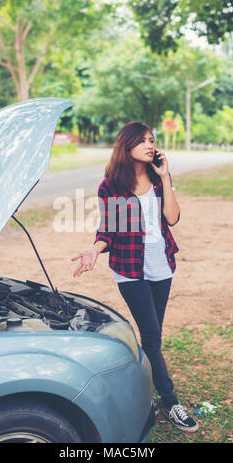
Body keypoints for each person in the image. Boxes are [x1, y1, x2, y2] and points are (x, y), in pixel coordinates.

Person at [71, 121, 199, 433]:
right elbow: (109, 229)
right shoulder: (111, 186)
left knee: (153, 334)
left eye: (152, 140)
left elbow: (172, 218)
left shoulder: (158, 180)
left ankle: (144, 385)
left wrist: (165, 178)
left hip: (162, 265)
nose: (149, 144)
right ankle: (170, 402)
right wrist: (94, 249)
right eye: (142, 140)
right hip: (130, 269)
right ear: (126, 146)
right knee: (153, 337)